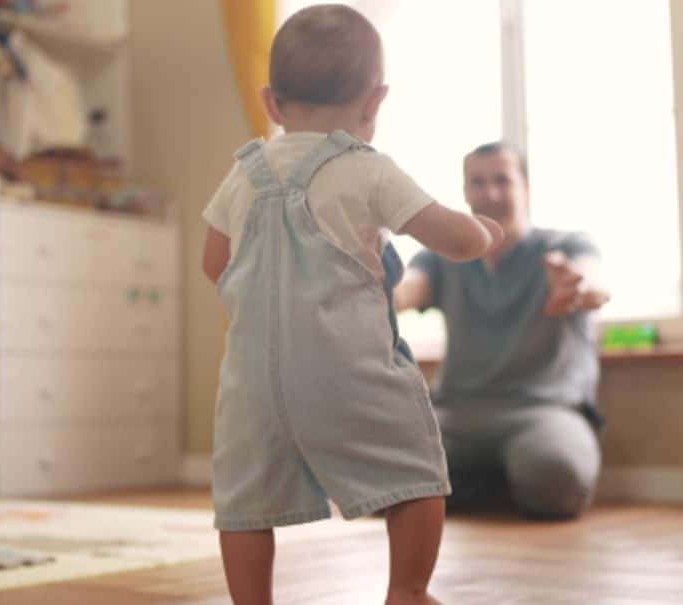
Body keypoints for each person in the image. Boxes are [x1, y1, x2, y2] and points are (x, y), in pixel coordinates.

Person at [200, 6, 504, 604]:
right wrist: (488, 232)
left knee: (244, 504)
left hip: (251, 386)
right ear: (374, 103)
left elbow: (215, 263)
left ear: (271, 103)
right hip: (346, 371)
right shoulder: (366, 169)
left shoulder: (242, 175)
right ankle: (408, 590)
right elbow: (454, 239)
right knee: (417, 469)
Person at [394, 142, 611, 521]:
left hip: (543, 410)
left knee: (556, 482)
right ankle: (497, 482)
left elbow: (591, 284)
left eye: (501, 180)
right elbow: (405, 291)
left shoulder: (566, 246)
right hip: (456, 414)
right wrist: (374, 287)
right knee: (386, 481)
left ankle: (473, 484)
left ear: (524, 188)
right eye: (477, 183)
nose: (489, 193)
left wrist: (574, 288)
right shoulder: (441, 258)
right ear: (465, 193)